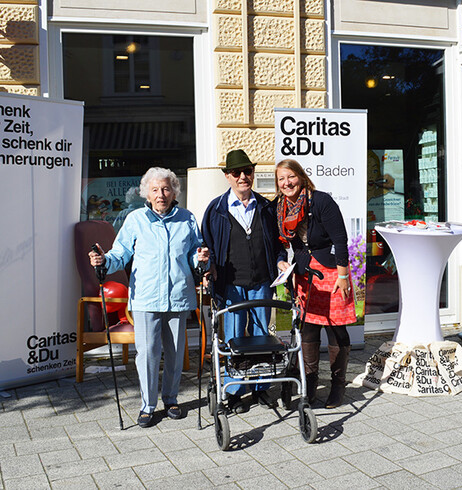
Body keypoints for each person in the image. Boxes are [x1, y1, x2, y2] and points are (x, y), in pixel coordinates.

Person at [89, 167, 210, 428]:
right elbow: (119, 254)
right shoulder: (135, 220)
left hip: (177, 295)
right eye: (155, 190)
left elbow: (192, 254)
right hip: (145, 298)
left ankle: (171, 399)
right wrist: (102, 262)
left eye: (166, 189)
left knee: (176, 353)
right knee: (147, 353)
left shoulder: (187, 218)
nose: (160, 194)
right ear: (146, 193)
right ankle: (147, 405)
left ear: (174, 191)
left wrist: (199, 259)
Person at [202, 149, 287, 414]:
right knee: (236, 340)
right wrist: (208, 266)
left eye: (247, 172)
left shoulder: (266, 207)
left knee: (262, 338)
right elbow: (207, 247)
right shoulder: (216, 210)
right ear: (227, 176)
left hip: (262, 281)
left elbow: (278, 245)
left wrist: (281, 261)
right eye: (236, 173)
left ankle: (261, 389)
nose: (242, 177)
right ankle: (236, 391)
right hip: (231, 285)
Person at [275, 159, 356, 409]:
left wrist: (343, 276)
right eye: (281, 179)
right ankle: (309, 385)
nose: (287, 183)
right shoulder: (280, 207)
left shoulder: (321, 201)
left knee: (335, 328)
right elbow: (279, 243)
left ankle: (338, 386)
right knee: (308, 329)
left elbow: (340, 239)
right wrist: (281, 261)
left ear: (301, 177)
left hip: (332, 271)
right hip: (304, 273)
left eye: (291, 177)